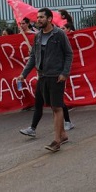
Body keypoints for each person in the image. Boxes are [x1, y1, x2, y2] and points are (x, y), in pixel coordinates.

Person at [17, 8, 74, 151]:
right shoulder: (37, 37)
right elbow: (33, 57)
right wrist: (23, 74)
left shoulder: (59, 34)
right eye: (38, 17)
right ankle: (63, 134)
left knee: (56, 107)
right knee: (51, 106)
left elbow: (68, 54)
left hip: (56, 76)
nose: (39, 20)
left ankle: (56, 141)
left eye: (42, 17)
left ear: (49, 19)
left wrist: (64, 73)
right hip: (42, 76)